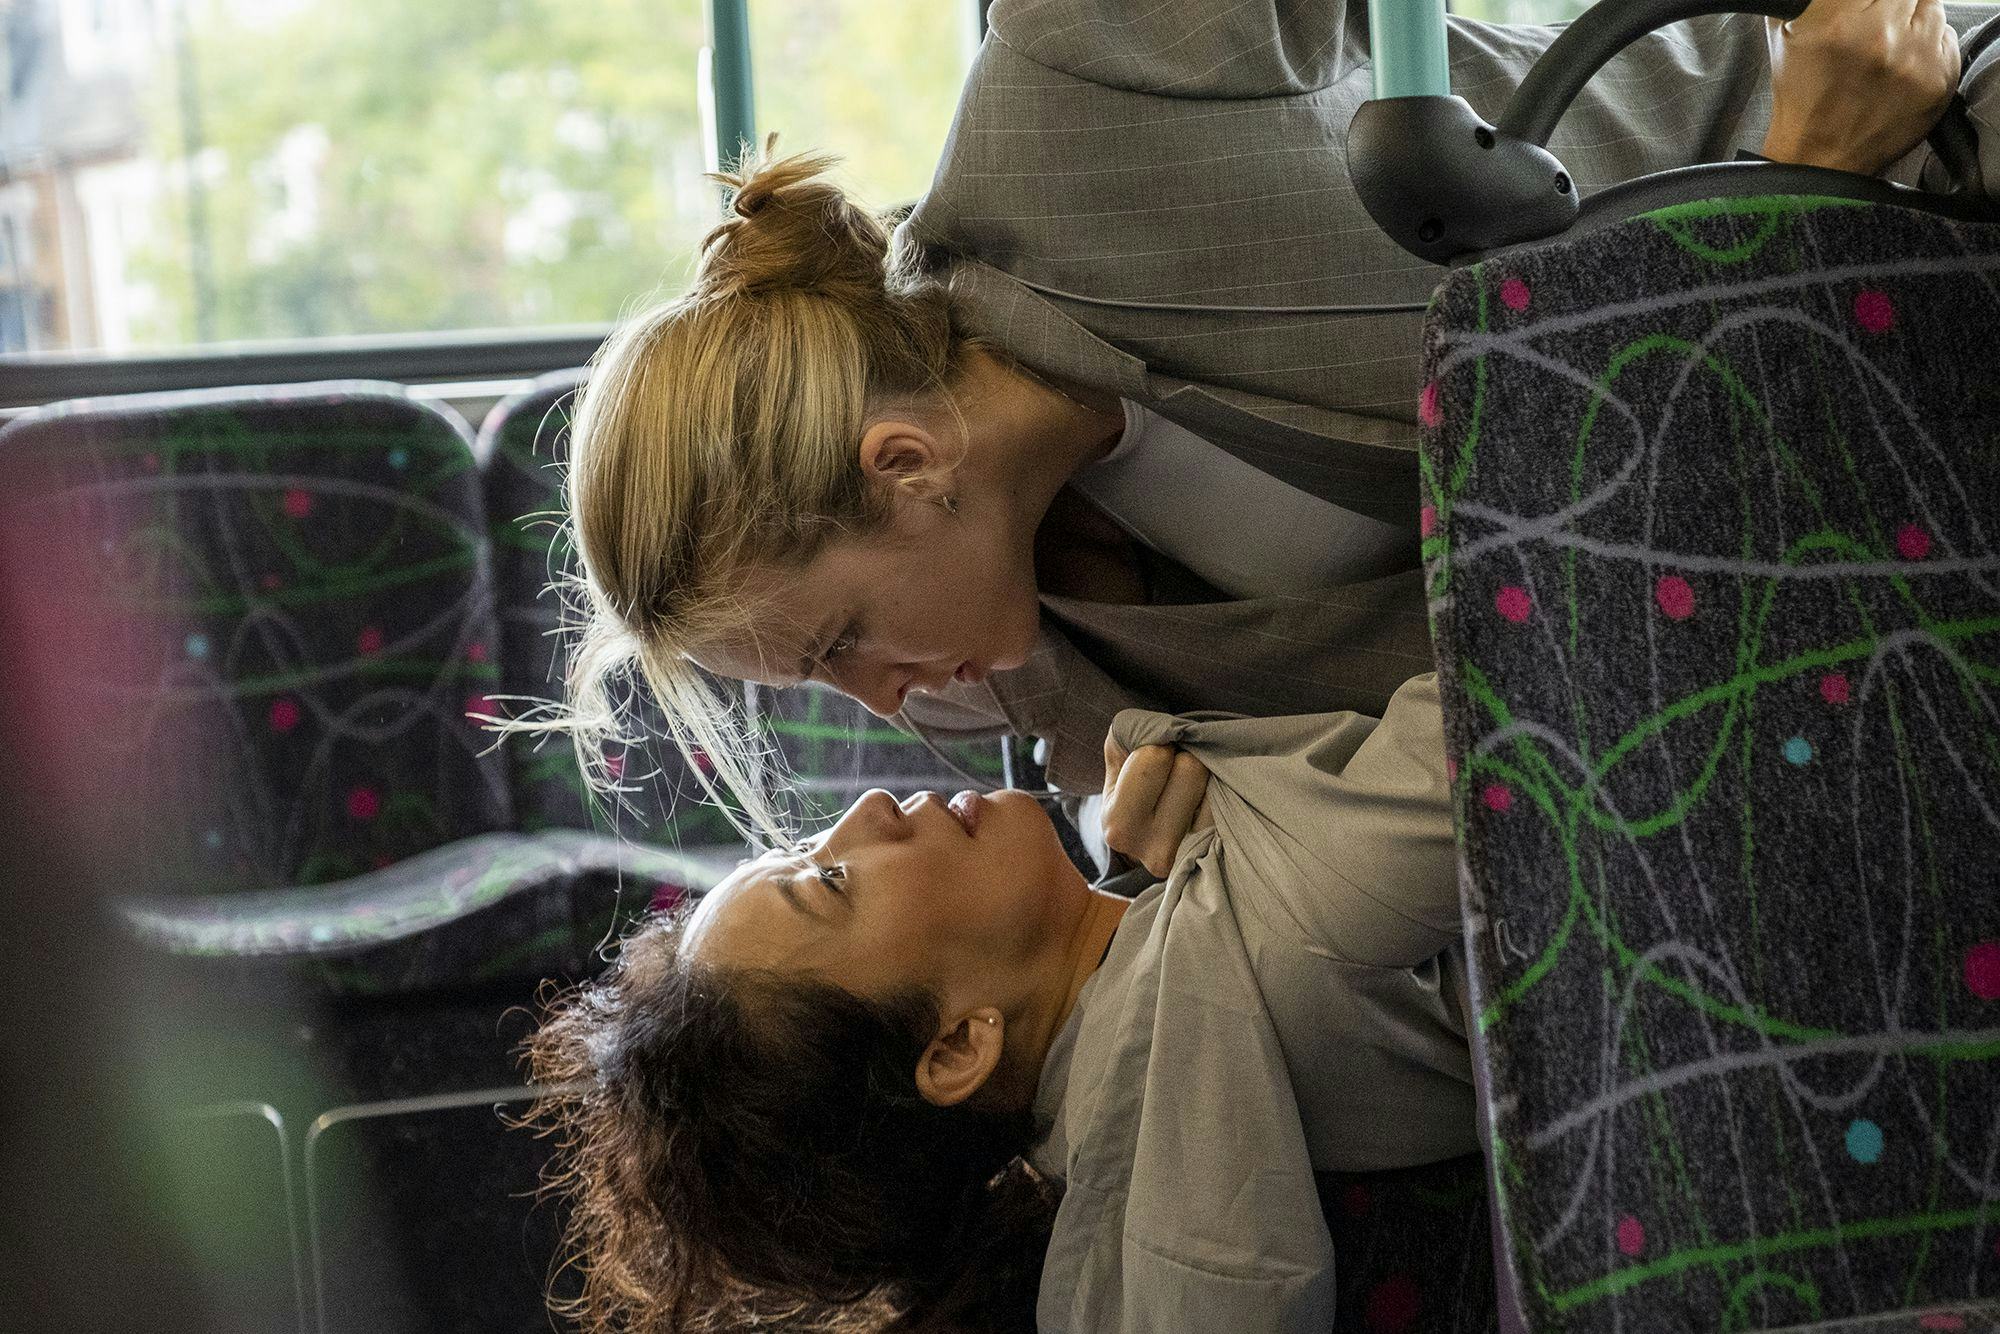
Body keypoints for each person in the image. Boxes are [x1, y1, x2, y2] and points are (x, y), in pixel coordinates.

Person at [497, 0, 1989, 844]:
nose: (888, 708)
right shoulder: (1030, 683)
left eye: (839, 645)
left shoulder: (1083, 82)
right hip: (1831, 568)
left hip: (1915, 154)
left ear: (903, 465)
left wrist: (1807, 174)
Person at [525, 675, 1464, 1333]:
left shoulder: (1167, 924)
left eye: (807, 846)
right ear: (954, 1050)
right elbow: (1512, 714)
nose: (869, 809)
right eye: (834, 881)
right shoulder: (1281, 931)